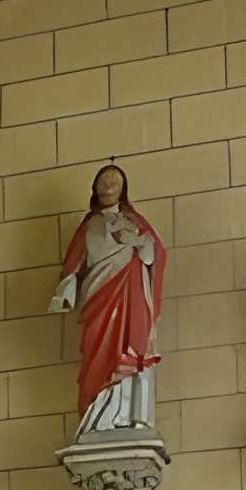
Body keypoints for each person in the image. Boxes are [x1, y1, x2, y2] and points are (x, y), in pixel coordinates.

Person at [49, 163, 163, 439]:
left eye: (115, 181)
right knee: (96, 350)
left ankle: (123, 414)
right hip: (97, 297)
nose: (109, 186)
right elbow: (74, 266)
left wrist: (136, 242)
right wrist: (64, 291)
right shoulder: (88, 226)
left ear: (124, 189)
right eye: (103, 181)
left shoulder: (135, 223)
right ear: (95, 188)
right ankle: (96, 413)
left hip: (129, 294)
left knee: (128, 347)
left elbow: (153, 256)